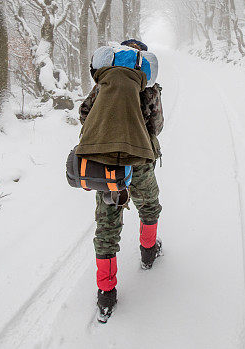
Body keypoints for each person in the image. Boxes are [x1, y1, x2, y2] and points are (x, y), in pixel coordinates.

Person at [78, 38, 164, 322]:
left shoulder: (104, 84)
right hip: (139, 164)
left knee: (106, 224)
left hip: (105, 166)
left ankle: (106, 293)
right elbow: (156, 126)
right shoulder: (147, 87)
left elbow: (84, 113)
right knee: (149, 205)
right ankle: (148, 251)